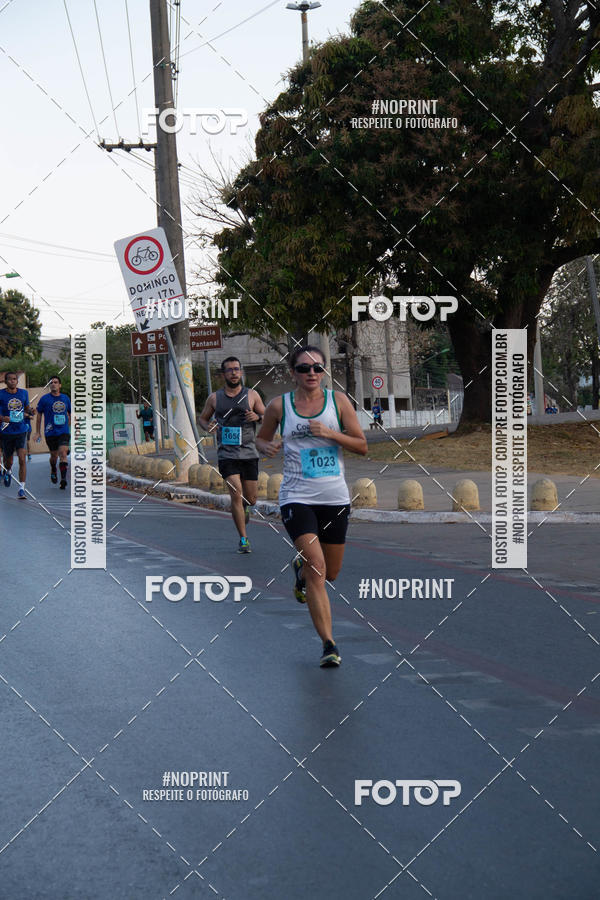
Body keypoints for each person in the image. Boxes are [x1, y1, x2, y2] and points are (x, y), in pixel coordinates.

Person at [256, 346, 367, 667]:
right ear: (293, 372)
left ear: (324, 371)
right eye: (304, 368)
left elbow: (361, 445)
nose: (312, 374)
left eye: (317, 368)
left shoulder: (338, 402)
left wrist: (331, 433)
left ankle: (299, 571)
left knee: (330, 573)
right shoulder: (280, 406)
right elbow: (260, 440)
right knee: (317, 567)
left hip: (334, 497)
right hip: (296, 497)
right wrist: (268, 446)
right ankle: (329, 645)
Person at [198, 357, 265, 553]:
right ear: (223, 374)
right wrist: (207, 425)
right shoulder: (215, 398)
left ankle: (246, 506)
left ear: (241, 372)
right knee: (235, 493)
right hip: (227, 454)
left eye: (237, 369)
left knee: (251, 499)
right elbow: (202, 419)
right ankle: (243, 539)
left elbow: (269, 415)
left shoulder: (252, 395)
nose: (234, 373)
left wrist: (258, 416)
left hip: (249, 453)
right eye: (229, 370)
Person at [0, 371, 37, 499]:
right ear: (6, 382)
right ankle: (8, 471)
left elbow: (26, 408)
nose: (13, 381)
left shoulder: (23, 393)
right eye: (10, 379)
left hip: (21, 430)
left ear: (17, 381)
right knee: (8, 461)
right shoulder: (1, 395)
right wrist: (2, 418)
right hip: (6, 432)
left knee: (22, 458)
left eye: (15, 379)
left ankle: (21, 488)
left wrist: (31, 411)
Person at [34, 375, 71, 489]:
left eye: (56, 382)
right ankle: (53, 469)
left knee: (63, 453)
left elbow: (70, 413)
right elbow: (39, 414)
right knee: (54, 457)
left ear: (60, 385)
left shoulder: (65, 398)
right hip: (50, 432)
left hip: (63, 431)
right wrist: (38, 432)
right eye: (51, 382)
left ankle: (63, 479)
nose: (53, 384)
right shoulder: (45, 399)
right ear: (49, 385)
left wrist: (70, 424)